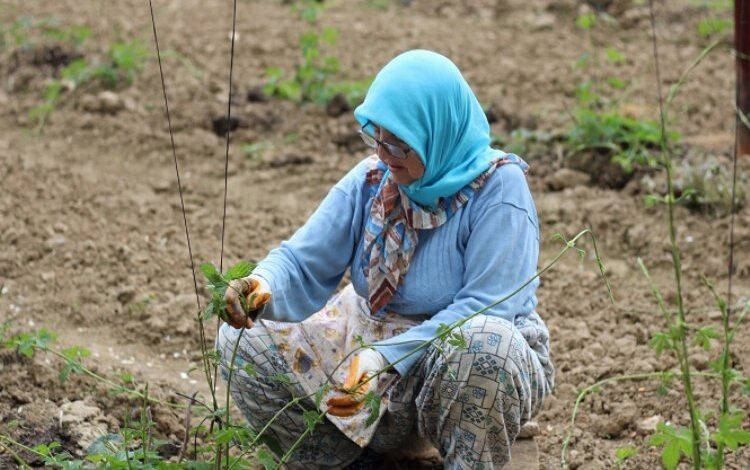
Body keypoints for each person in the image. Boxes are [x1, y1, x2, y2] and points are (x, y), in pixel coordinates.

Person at [217, 49, 554, 469]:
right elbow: (302, 261)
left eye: (398, 144)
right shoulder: (373, 179)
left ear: (437, 132)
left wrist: (384, 359)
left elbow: (489, 306)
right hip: (364, 354)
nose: (382, 154)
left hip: (449, 368)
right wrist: (261, 286)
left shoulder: (499, 190)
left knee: (485, 344)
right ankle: (351, 465)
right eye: (376, 138)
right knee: (242, 338)